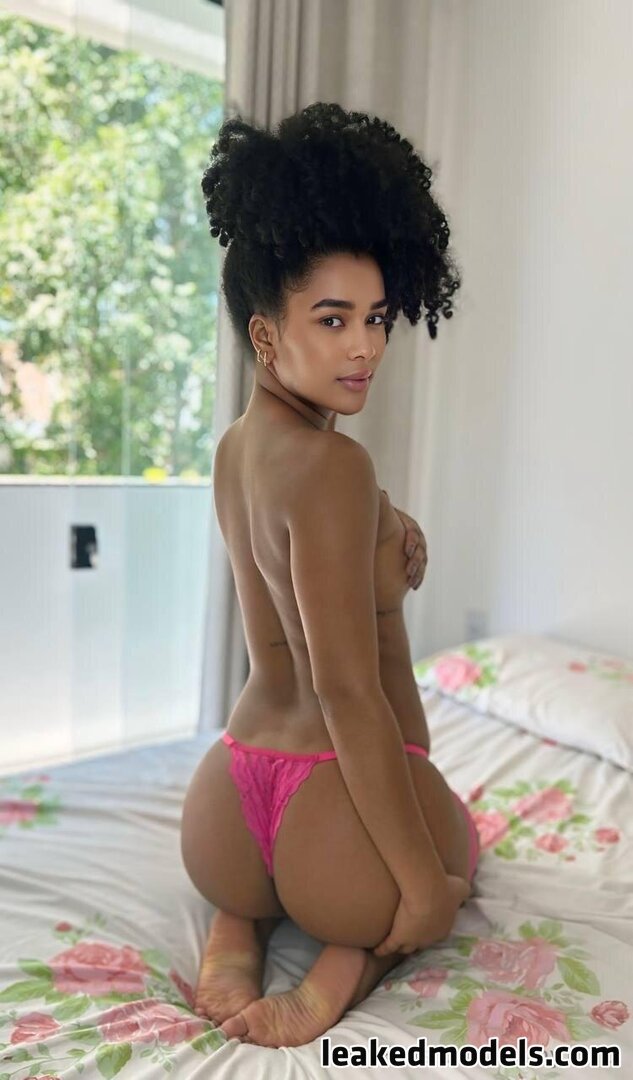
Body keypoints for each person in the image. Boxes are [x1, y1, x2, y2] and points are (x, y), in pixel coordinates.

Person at [180, 102, 478, 1049]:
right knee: (458, 848)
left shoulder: (235, 450)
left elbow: (283, 601)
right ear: (267, 337)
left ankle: (237, 924)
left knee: (289, 876)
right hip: (321, 809)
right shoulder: (336, 467)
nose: (366, 347)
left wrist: (379, 542)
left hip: (227, 806)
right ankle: (336, 974)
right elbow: (349, 693)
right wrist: (425, 888)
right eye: (333, 319)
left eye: (377, 318)